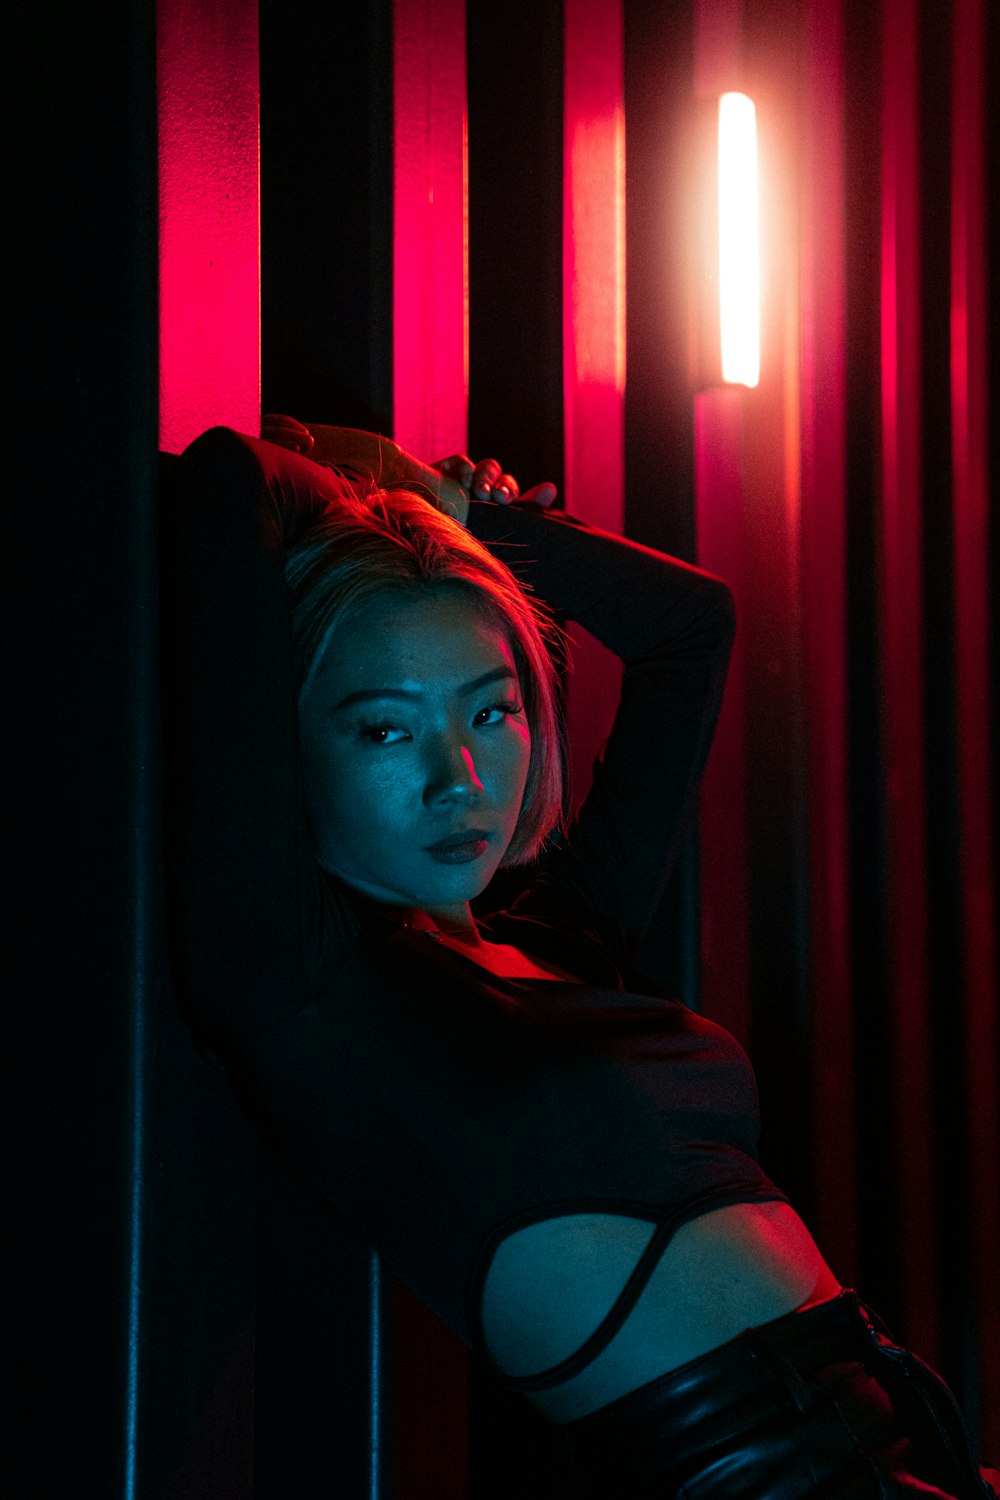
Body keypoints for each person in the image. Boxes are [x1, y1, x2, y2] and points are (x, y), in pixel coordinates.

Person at [162, 416, 997, 1499]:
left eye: (492, 711)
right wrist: (407, 505)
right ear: (289, 743)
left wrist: (484, 534)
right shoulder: (300, 982)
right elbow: (233, 486)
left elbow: (693, 627)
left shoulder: (562, 945)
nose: (457, 776)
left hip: (911, 1442)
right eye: (383, 729)